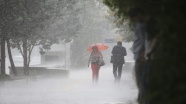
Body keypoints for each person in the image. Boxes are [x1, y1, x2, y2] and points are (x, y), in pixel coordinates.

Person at [128, 7, 158, 104]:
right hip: (143, 57)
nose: (133, 21)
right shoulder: (143, 25)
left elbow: (151, 39)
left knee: (143, 85)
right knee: (143, 84)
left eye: (134, 18)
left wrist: (146, 52)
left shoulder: (145, 25)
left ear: (138, 15)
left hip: (143, 58)